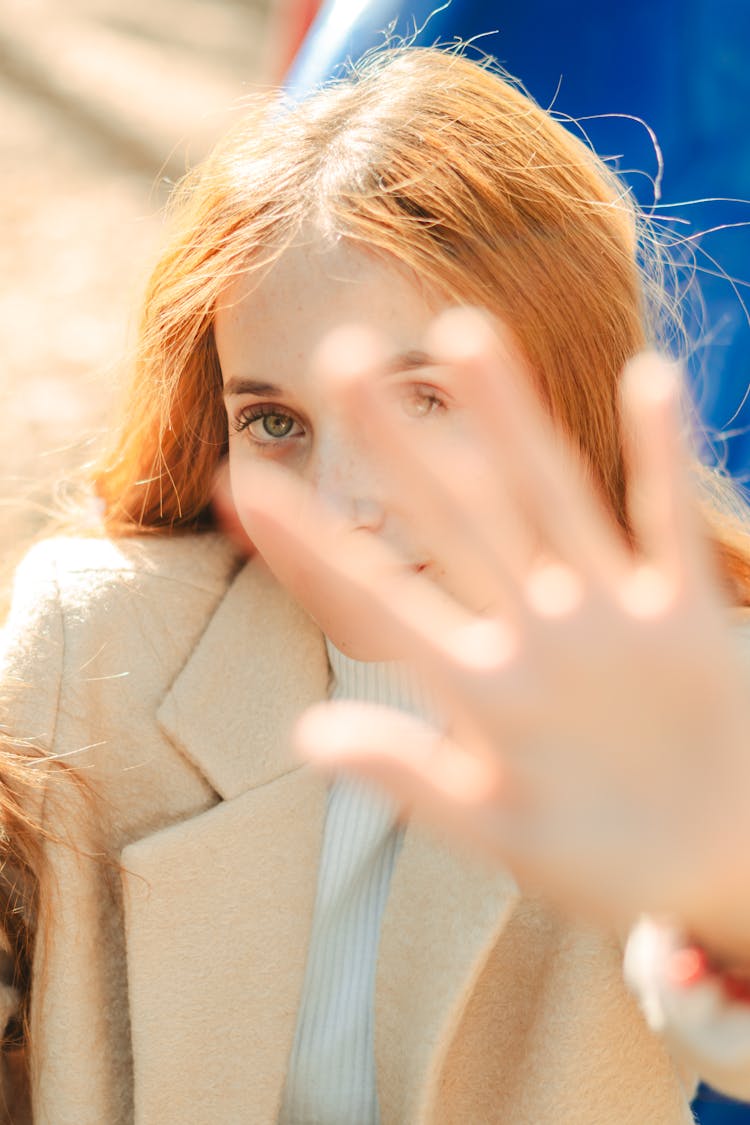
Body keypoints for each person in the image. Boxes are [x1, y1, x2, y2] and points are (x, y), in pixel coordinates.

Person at [2, 44, 750, 1124]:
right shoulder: (99, 637)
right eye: (275, 422)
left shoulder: (695, 688)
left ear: (560, 388)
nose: (342, 500)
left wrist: (723, 900)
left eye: (420, 403)